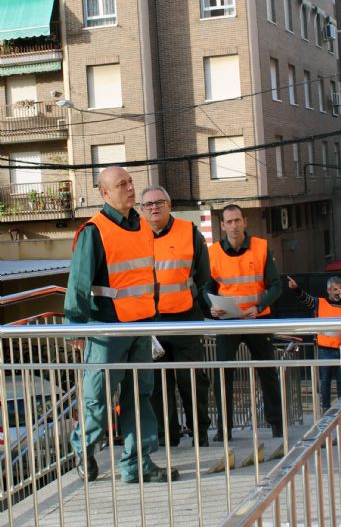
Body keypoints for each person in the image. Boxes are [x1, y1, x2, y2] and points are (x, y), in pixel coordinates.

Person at [65, 166, 179, 484]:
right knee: (97, 400)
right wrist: (75, 326)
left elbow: (145, 275)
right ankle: (82, 448)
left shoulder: (142, 227)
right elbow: (78, 282)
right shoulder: (94, 230)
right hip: (106, 329)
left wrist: (153, 316)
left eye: (130, 182)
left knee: (139, 398)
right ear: (105, 193)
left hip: (140, 327)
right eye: (121, 184)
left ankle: (137, 464)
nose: (130, 188)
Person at [140, 186, 211, 447]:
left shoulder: (189, 232)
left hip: (185, 319)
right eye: (148, 205)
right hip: (151, 322)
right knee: (158, 385)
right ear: (142, 210)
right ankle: (166, 436)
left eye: (159, 202)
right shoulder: (135, 236)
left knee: (191, 379)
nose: (154, 208)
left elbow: (203, 274)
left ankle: (199, 433)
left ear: (169, 205)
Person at [206, 204, 283, 442]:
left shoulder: (261, 247)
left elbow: (276, 286)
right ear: (222, 226)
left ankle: (277, 425)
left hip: (257, 319)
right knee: (222, 375)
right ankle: (224, 429)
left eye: (237, 220)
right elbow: (205, 289)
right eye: (229, 221)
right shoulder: (213, 253)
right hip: (227, 322)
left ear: (245, 222)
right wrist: (210, 307)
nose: (234, 225)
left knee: (267, 372)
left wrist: (258, 307)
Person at [287, 275, 341, 412]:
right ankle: (326, 408)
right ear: (328, 290)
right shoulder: (320, 303)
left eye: (340, 289)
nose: (338, 292)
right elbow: (305, 299)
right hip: (325, 349)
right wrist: (296, 289)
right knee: (325, 381)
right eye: (335, 289)